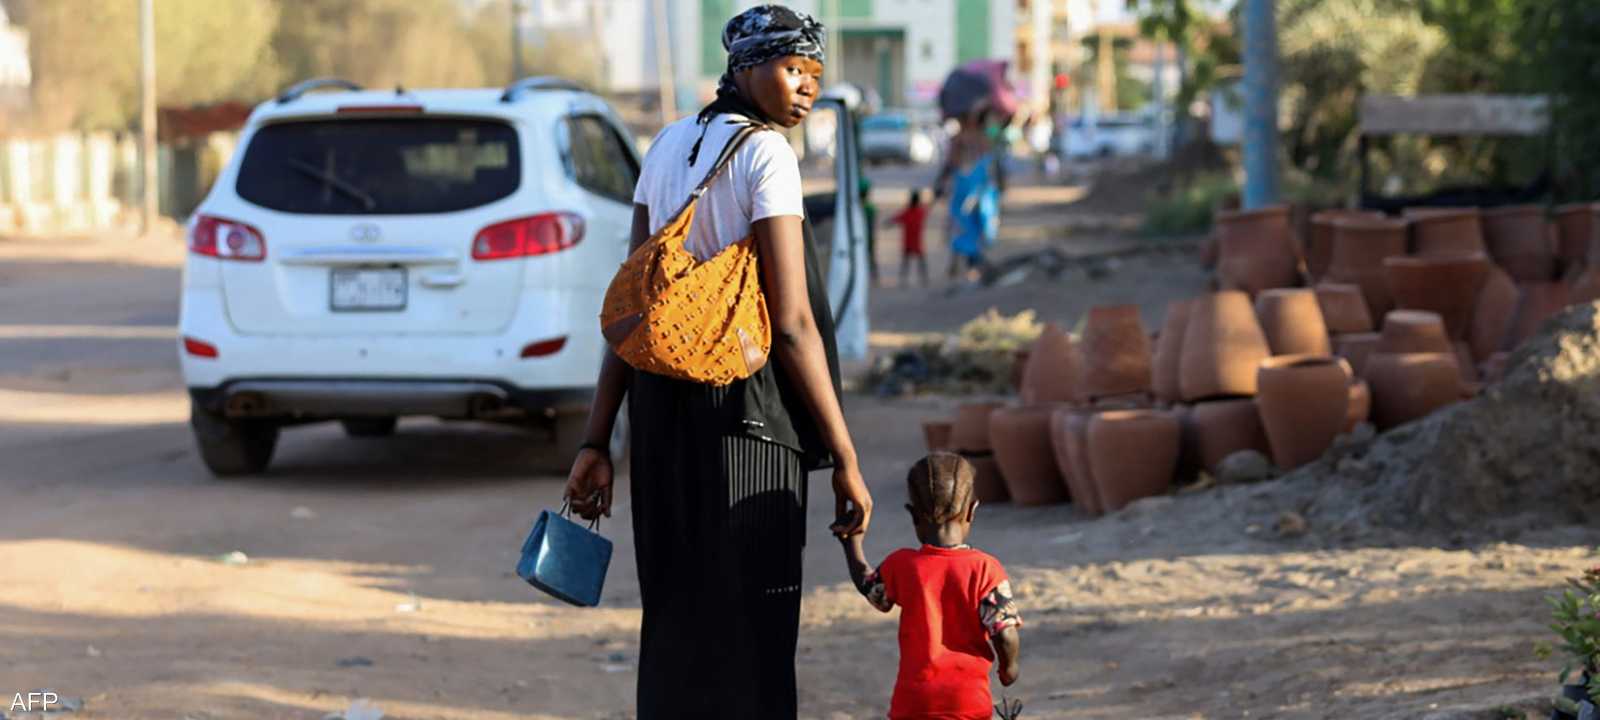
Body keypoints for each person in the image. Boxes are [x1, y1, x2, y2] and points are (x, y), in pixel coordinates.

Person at [564, 5, 872, 718]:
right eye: (792, 68)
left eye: (814, 75)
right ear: (743, 70)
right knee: (754, 635)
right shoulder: (767, 156)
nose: (806, 88)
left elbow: (632, 310)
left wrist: (597, 440)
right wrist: (845, 455)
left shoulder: (666, 146)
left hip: (660, 419)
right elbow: (792, 326)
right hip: (747, 421)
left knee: (676, 624)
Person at [840, 452, 1023, 720]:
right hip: (967, 704)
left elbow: (871, 589)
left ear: (913, 515)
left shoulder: (902, 565)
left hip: (913, 703)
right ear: (972, 510)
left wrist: (851, 542)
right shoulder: (985, 568)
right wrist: (1009, 669)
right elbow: (1005, 635)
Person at [884, 188, 930, 287]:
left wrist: (887, 224)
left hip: (908, 241)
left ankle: (904, 280)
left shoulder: (907, 212)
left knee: (906, 262)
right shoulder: (920, 212)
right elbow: (928, 207)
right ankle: (924, 279)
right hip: (917, 241)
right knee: (920, 261)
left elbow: (895, 219)